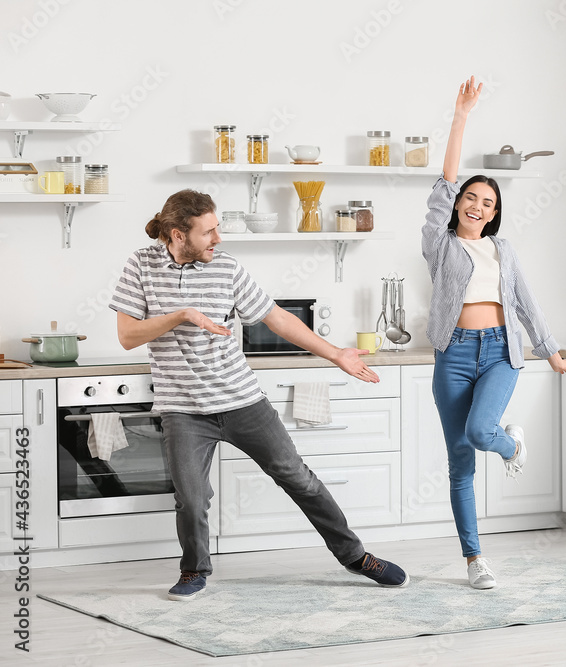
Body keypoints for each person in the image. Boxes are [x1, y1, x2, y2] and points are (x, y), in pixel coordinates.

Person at [110, 189, 408, 601]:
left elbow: (278, 318)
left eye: (218, 229)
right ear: (178, 235)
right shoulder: (140, 266)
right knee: (191, 499)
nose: (218, 239)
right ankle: (194, 569)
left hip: (242, 401)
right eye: (209, 232)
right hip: (183, 409)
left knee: (297, 478)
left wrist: (335, 352)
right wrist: (182, 315)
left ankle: (356, 557)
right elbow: (127, 336)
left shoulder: (227, 267)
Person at [422, 76, 566, 590]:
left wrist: (552, 353)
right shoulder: (440, 245)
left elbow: (527, 304)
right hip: (454, 356)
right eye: (471, 198)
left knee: (477, 431)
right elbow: (443, 183)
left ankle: (511, 446)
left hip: (499, 354)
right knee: (460, 462)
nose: (477, 207)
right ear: (458, 204)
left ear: (495, 213)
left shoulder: (503, 251)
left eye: (487, 203)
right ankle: (475, 561)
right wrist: (461, 116)